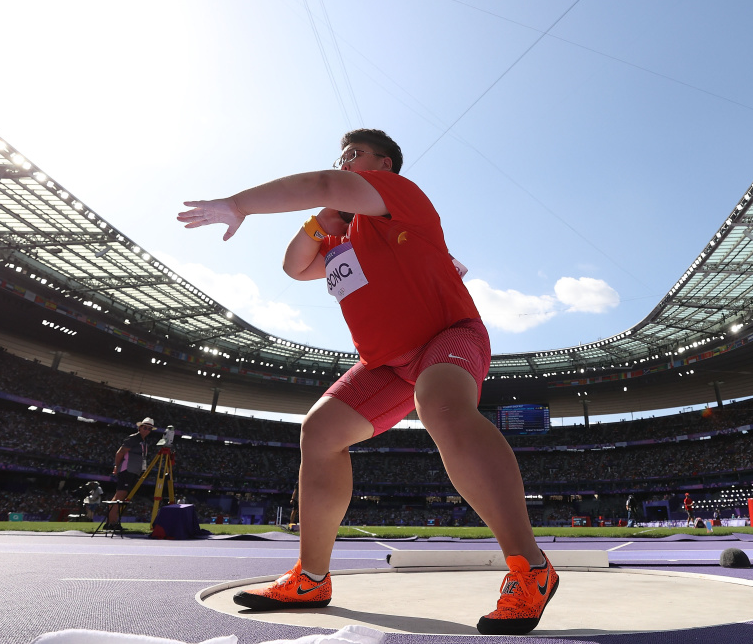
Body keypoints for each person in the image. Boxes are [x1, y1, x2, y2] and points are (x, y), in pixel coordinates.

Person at [177, 129, 558, 635]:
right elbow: (295, 267)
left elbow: (322, 183)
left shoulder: (401, 197)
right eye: (341, 156)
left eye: (354, 155)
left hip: (447, 335)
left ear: (385, 165)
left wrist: (237, 204)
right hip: (386, 363)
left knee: (441, 406)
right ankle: (311, 578)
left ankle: (530, 568)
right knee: (320, 432)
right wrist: (320, 223)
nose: (345, 162)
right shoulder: (340, 241)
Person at [107, 418, 156, 531]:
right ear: (140, 427)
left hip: (134, 471)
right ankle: (111, 523)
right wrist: (116, 466)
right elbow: (120, 453)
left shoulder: (144, 441)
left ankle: (112, 522)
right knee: (120, 495)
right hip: (127, 469)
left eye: (149, 429)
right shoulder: (134, 438)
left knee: (122, 496)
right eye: (145, 427)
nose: (147, 430)